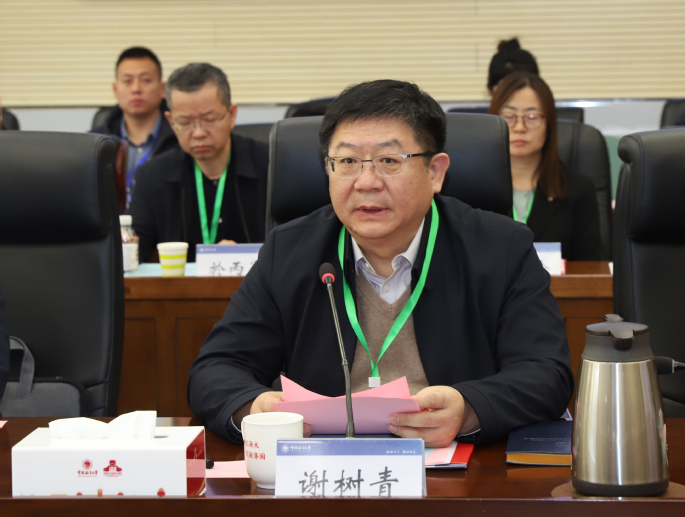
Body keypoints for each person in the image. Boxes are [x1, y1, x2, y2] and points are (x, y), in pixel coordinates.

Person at [188, 79, 573, 447]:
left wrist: (469, 408)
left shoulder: (501, 248)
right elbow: (214, 370)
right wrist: (255, 407)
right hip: (324, 468)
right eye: (347, 161)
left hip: (455, 469)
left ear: (435, 172)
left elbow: (546, 373)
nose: (366, 181)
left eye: (389, 160)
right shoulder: (289, 251)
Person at [128, 63, 268, 263]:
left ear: (232, 115)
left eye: (209, 119)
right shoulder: (152, 177)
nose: (199, 133)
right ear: (171, 121)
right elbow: (135, 250)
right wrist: (127, 245)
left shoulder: (272, 167)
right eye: (185, 122)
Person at [489, 71, 601, 261]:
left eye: (532, 117)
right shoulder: (470, 190)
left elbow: (591, 269)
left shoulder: (578, 190)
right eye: (509, 116)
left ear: (549, 124)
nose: (519, 127)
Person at [91, 47, 179, 200]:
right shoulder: (95, 142)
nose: (136, 89)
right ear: (115, 90)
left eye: (146, 80)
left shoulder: (180, 140)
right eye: (127, 81)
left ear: (162, 89)